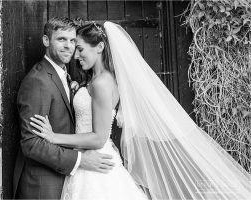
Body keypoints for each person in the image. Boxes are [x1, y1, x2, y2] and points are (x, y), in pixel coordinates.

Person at [30, 21, 251, 200]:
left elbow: (98, 138)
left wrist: (53, 136)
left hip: (96, 161)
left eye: (80, 49)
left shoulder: (101, 84)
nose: (76, 56)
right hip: (88, 160)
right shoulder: (95, 80)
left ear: (99, 47)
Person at [13, 18, 115, 199]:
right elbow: (31, 143)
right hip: (43, 186)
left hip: (73, 178)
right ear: (46, 41)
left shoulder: (67, 76)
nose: (69, 46)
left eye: (73, 41)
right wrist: (81, 160)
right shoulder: (38, 80)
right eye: (61, 39)